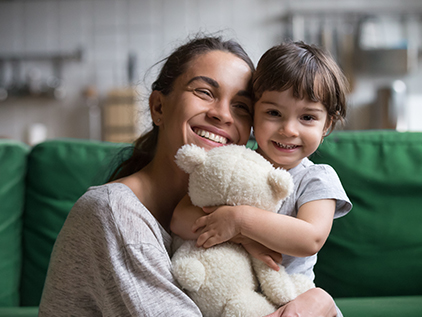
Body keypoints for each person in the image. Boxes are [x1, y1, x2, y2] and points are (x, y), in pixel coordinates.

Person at [39, 35, 340, 316]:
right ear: (158, 106)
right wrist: (321, 304)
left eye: (241, 106)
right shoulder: (114, 213)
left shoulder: (256, 186)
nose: (223, 115)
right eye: (205, 92)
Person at [171, 41, 352, 316]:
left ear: (326, 124)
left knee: (314, 300)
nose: (289, 129)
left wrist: (240, 221)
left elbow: (310, 238)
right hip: (239, 298)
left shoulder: (316, 177)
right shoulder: (233, 163)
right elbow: (180, 218)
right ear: (254, 112)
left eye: (307, 117)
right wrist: (245, 240)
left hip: (293, 297)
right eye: (273, 113)